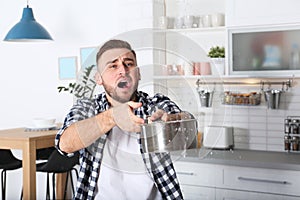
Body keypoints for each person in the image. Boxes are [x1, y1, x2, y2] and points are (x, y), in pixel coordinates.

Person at [55, 39, 192, 200]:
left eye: (129, 64)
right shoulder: (86, 108)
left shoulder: (156, 104)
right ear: (99, 78)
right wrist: (113, 117)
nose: (123, 71)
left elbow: (184, 123)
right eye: (113, 65)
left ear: (138, 73)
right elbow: (64, 144)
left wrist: (174, 120)